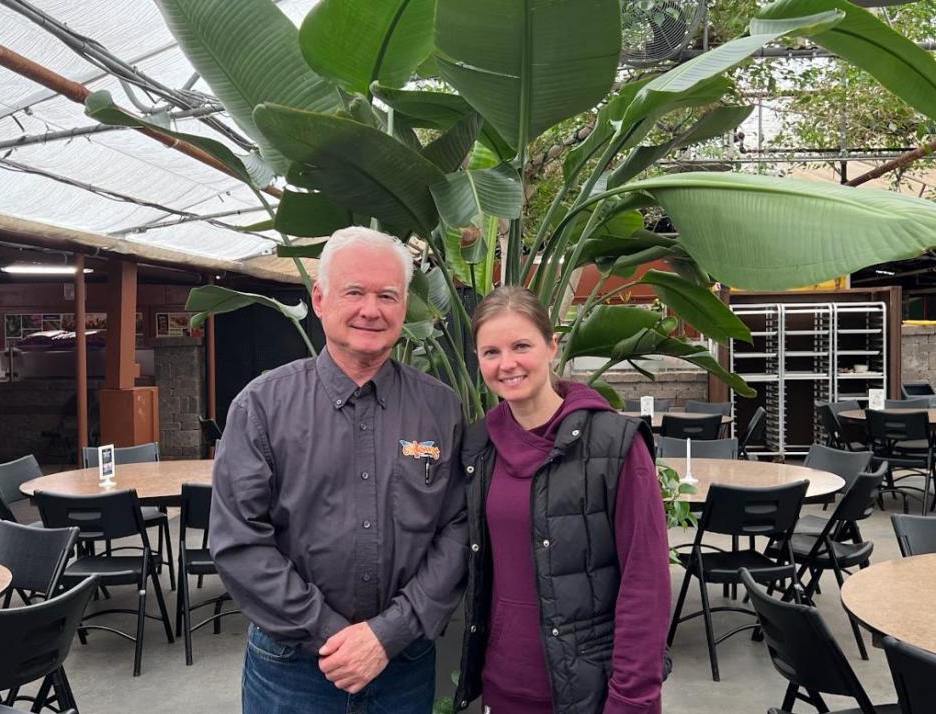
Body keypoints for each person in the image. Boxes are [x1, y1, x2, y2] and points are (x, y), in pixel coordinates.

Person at [210, 226, 468, 714]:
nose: (371, 309)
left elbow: (456, 530)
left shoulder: (440, 409)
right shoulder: (262, 408)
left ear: (404, 304)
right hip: (292, 671)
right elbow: (239, 542)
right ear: (321, 298)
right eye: (355, 292)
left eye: (387, 295)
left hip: (405, 665)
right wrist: (336, 637)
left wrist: (387, 634)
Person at [455, 286, 671, 714]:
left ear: (552, 346)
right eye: (491, 352)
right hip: (502, 686)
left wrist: (632, 699)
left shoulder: (614, 445)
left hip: (590, 691)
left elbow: (645, 584)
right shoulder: (479, 445)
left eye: (521, 346)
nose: (507, 364)